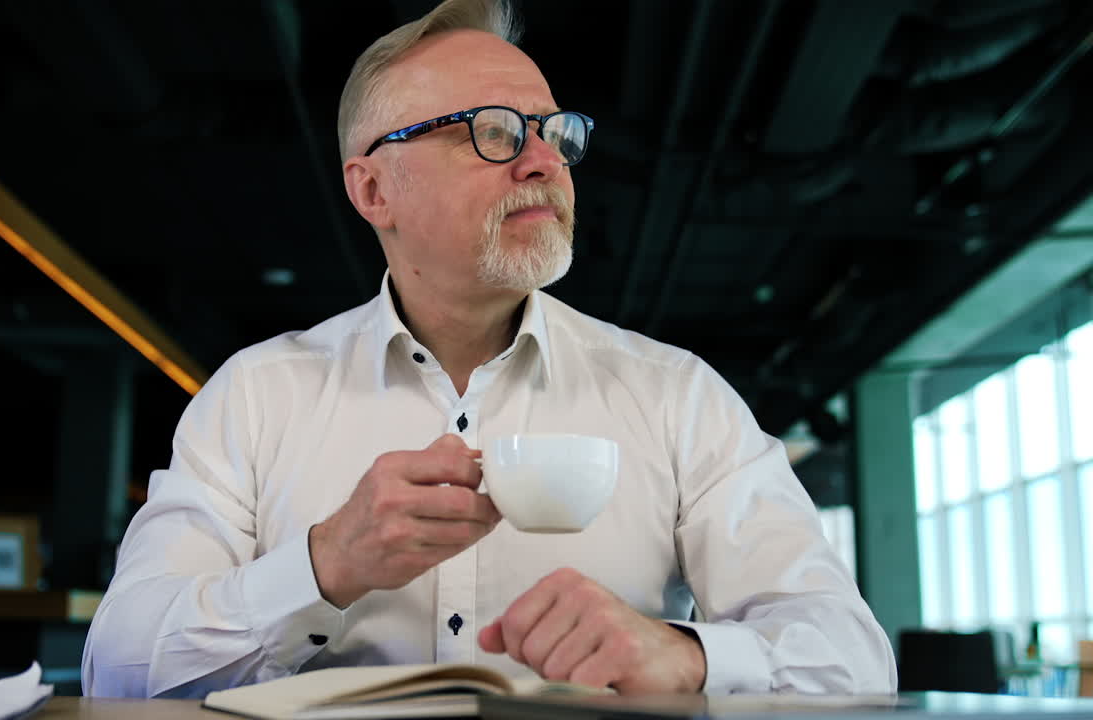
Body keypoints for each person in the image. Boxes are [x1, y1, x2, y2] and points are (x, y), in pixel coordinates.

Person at [81, 0, 897, 699]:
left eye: (553, 132)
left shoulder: (676, 396)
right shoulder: (256, 396)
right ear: (373, 190)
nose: (545, 161)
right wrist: (325, 565)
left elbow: (855, 659)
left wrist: (685, 654)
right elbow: (114, 667)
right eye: (493, 133)